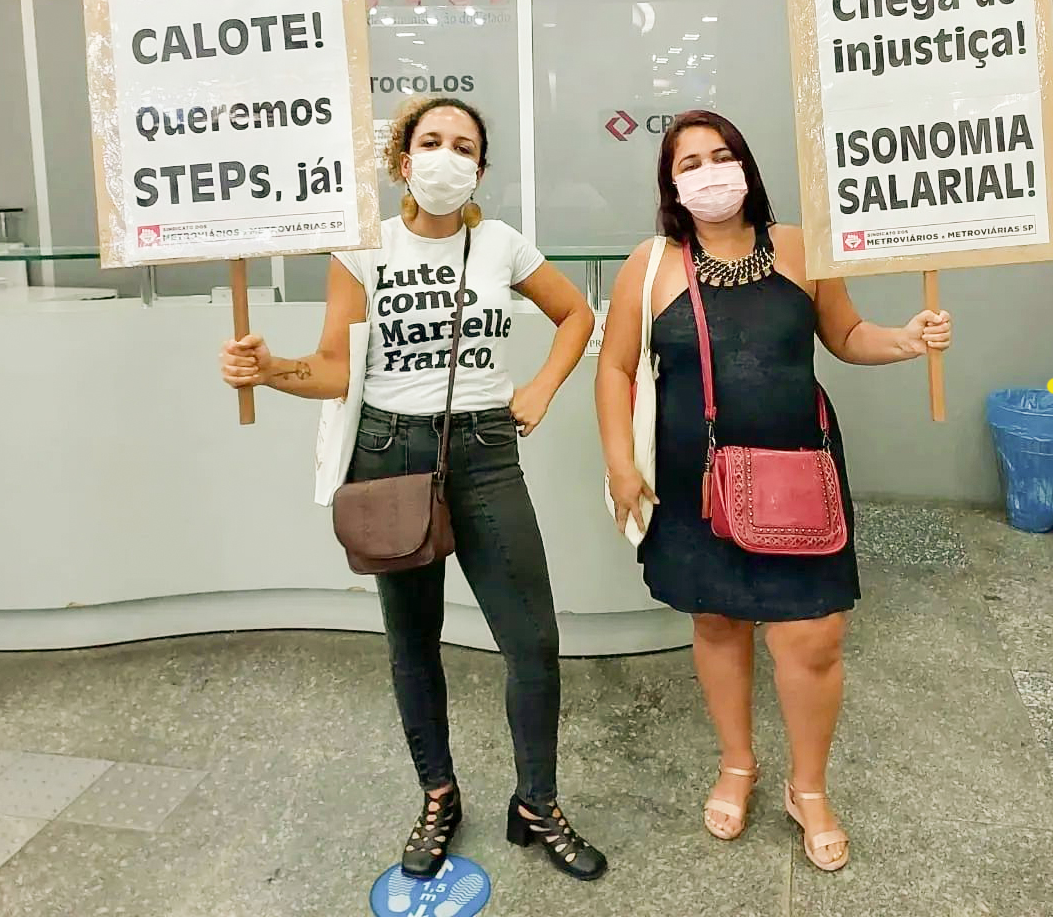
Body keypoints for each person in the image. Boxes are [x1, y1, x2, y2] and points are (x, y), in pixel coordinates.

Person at [220, 96, 606, 882]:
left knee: (532, 640)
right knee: (412, 641)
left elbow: (575, 314)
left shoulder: (501, 244)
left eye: (464, 146)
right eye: (432, 141)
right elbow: (335, 368)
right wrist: (272, 369)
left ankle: (537, 802)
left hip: (486, 453)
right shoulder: (364, 250)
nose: (447, 157)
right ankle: (438, 795)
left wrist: (539, 390)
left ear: (480, 169)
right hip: (389, 454)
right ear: (404, 160)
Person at [595, 110, 952, 872]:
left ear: (747, 166)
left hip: (799, 473)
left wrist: (907, 338)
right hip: (693, 482)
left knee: (812, 636)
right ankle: (737, 764)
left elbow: (846, 335)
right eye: (689, 162)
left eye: (720, 155)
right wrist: (620, 464)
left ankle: (809, 787)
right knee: (719, 622)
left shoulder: (799, 248)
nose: (708, 172)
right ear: (671, 185)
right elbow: (615, 366)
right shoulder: (650, 265)